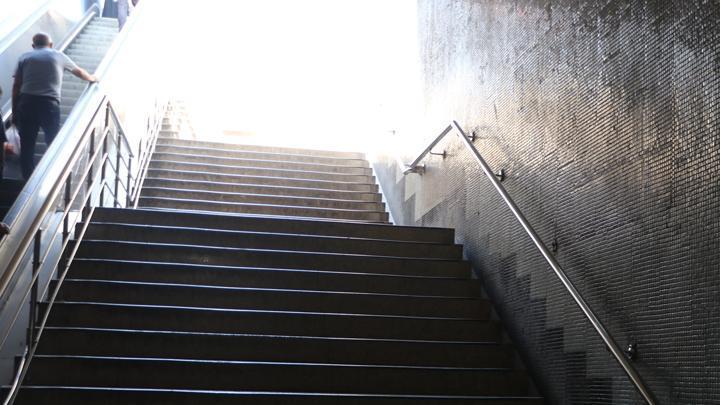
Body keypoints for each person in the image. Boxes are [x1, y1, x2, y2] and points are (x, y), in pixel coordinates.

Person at [12, 33, 97, 180]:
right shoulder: (58, 55)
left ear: (33, 46)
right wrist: (93, 78)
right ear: (51, 45)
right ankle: (52, 177)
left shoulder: (24, 57)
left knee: (27, 145)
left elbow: (16, 86)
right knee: (52, 141)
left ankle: (28, 180)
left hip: (26, 103)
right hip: (49, 104)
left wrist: (14, 112)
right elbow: (79, 72)